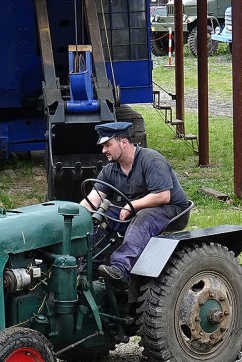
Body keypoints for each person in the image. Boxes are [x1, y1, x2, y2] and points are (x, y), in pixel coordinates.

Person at [80, 121, 191, 282]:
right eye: (103, 146)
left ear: (123, 142)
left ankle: (120, 269)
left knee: (144, 216)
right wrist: (75, 216)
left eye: (108, 145)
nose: (104, 150)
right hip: (135, 210)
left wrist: (132, 206)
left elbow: (163, 196)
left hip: (171, 210)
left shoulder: (151, 159)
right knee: (100, 216)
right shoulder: (110, 169)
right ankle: (89, 268)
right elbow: (93, 200)